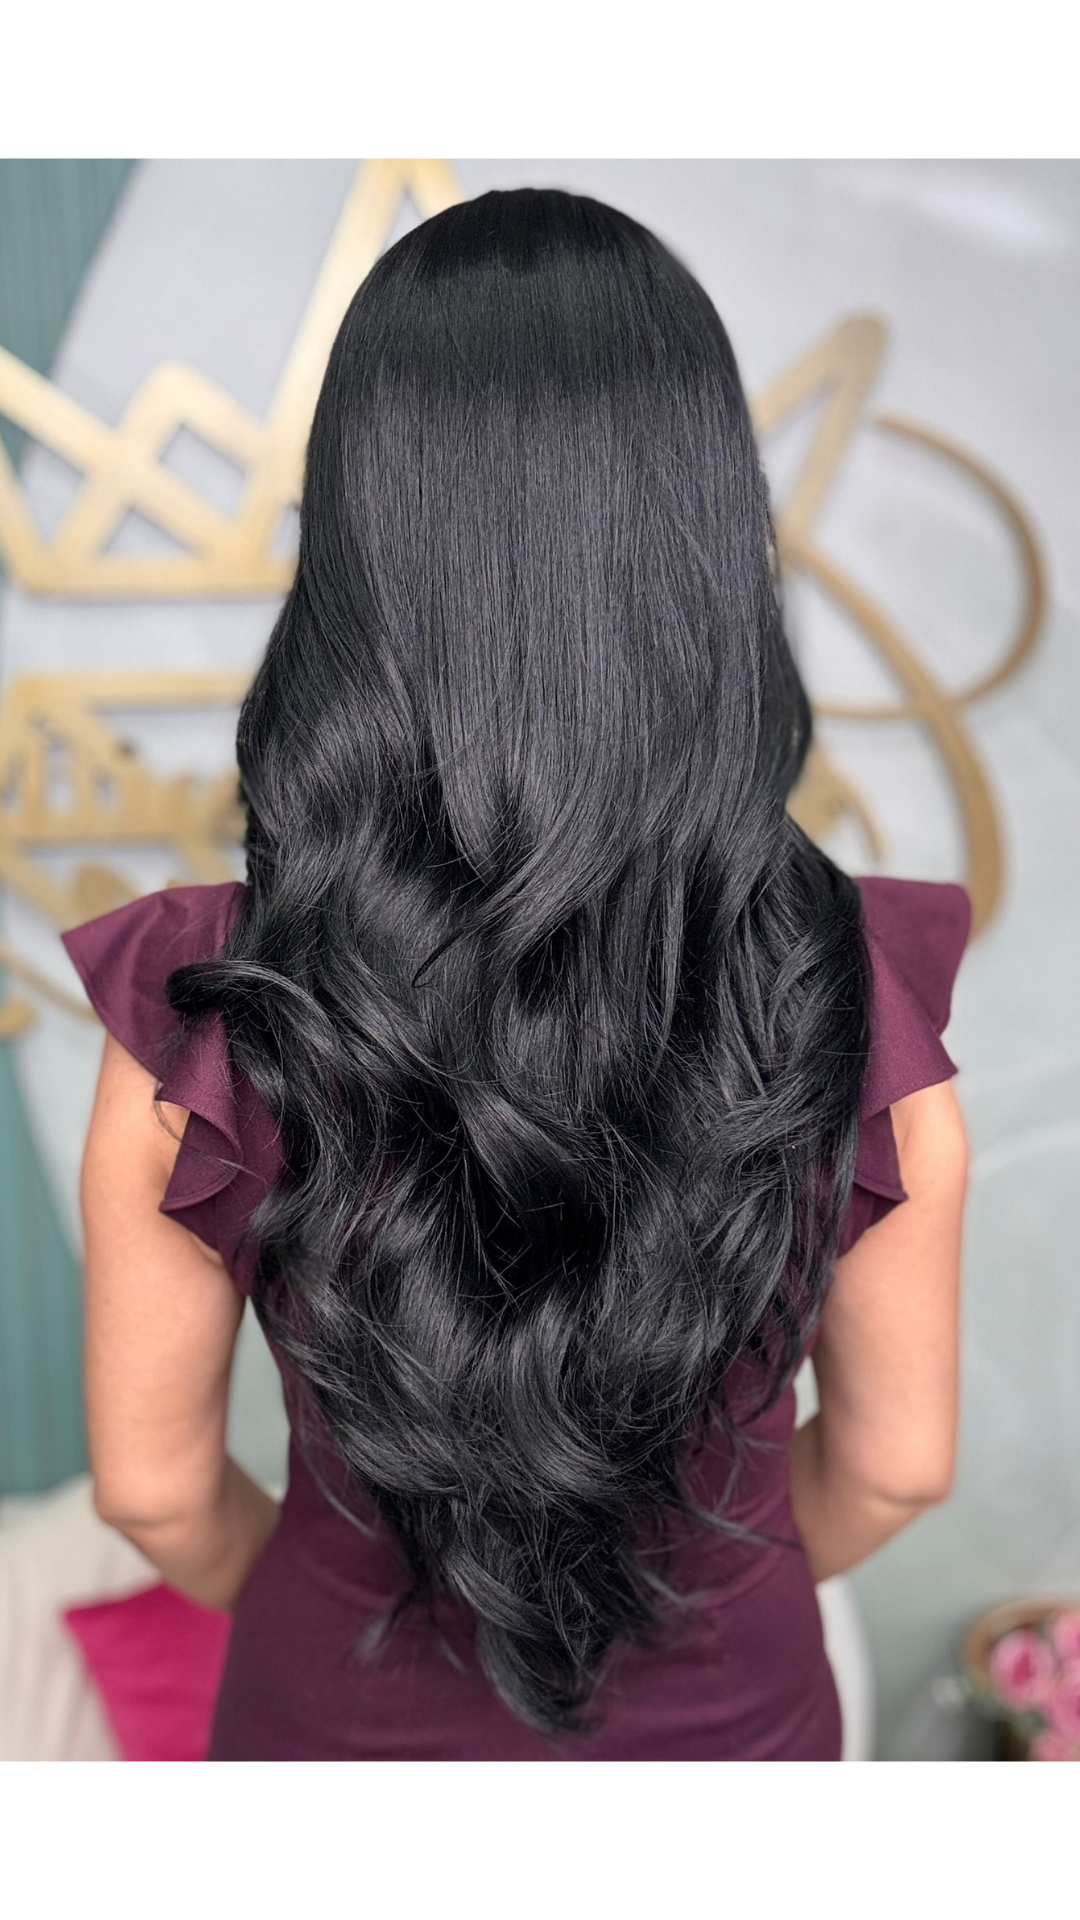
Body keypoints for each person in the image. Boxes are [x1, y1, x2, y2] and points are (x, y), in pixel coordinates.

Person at [64, 189, 969, 1762]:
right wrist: (725, 1591)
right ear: (703, 538)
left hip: (326, 1718)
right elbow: (896, 1467)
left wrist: (315, 1597)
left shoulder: (213, 1004)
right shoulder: (848, 992)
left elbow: (153, 1491)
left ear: (359, 548)